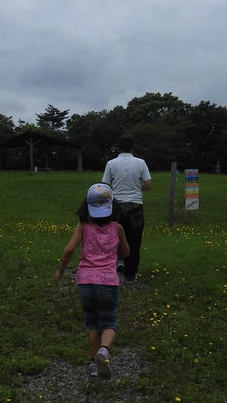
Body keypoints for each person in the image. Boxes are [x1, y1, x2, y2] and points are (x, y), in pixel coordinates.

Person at [52, 183, 130, 379]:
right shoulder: (117, 228)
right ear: (112, 205)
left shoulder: (83, 226)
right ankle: (104, 350)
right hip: (108, 282)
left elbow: (69, 250)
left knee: (92, 322)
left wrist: (61, 271)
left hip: (85, 281)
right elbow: (126, 252)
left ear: (87, 206)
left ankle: (94, 365)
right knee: (109, 321)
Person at [102, 134, 152, 283]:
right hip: (136, 207)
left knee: (114, 239)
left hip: (116, 207)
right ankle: (130, 276)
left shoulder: (111, 163)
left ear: (118, 147)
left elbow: (104, 185)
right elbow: (148, 185)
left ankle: (118, 263)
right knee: (134, 241)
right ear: (132, 147)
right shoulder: (141, 163)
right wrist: (136, 188)